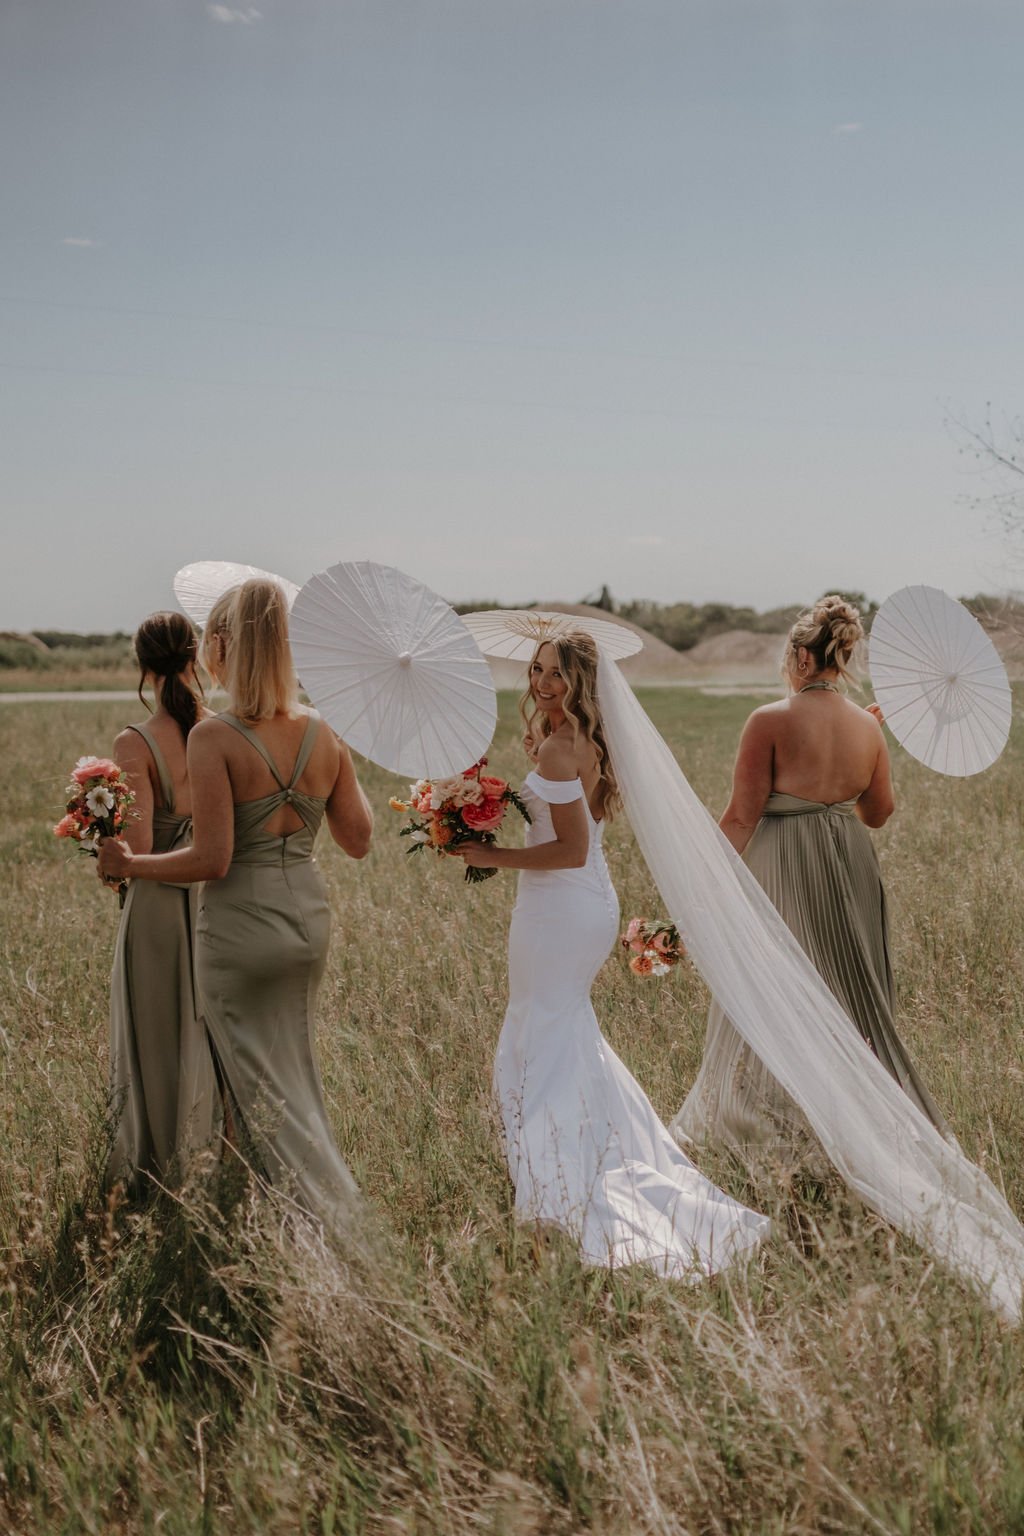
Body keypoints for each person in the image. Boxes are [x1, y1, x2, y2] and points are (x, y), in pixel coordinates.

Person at [451, 631, 769, 1280]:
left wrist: (493, 855)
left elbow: (566, 848)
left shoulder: (565, 747)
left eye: (556, 675)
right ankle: (583, 1157)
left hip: (560, 903)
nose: (542, 683)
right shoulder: (576, 740)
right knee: (562, 1029)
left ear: (581, 683)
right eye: (536, 671)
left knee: (540, 1029)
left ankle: (553, 1188)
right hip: (579, 903)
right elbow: (569, 830)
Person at [99, 578, 373, 1233]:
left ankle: (321, 1230)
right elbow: (358, 839)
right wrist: (339, 759)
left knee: (251, 1091)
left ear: (224, 647)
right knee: (293, 1075)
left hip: (239, 929)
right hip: (307, 923)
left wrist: (132, 864)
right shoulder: (322, 728)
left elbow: (212, 860)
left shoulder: (215, 737)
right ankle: (296, 1224)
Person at [672, 595, 948, 1154]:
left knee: (776, 986)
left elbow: (742, 816)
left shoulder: (769, 719)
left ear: (801, 657)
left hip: (781, 861)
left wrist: (702, 881)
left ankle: (775, 1122)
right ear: (840, 657)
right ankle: (858, 1123)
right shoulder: (868, 730)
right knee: (849, 989)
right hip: (850, 863)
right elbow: (878, 814)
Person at [104, 610, 218, 1193]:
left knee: (154, 1032)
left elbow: (141, 845)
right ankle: (206, 1159)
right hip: (214, 895)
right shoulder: (219, 729)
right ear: (194, 659)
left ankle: (154, 1170)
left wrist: (101, 835)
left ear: (143, 667)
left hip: (155, 902)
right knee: (205, 1029)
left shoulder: (135, 741)